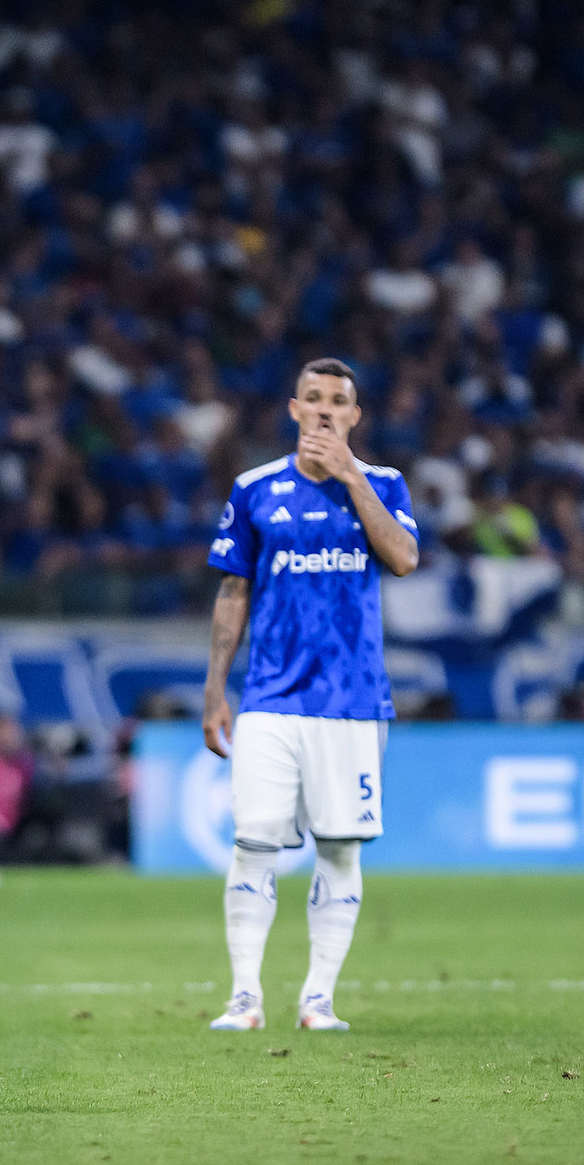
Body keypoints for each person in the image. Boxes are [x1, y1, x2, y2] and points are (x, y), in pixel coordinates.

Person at [201, 358, 418, 1033]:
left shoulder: (382, 484)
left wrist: (350, 474)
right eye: (314, 399)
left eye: (339, 402)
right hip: (270, 697)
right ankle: (244, 996)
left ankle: (317, 997)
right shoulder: (255, 488)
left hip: (352, 702)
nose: (325, 410)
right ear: (293, 409)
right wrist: (215, 690)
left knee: (340, 849)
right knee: (255, 842)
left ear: (355, 417)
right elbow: (233, 592)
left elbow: (404, 557)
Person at [0, 713, 35, 864]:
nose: (7, 738)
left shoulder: (24, 763)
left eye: (12, 732)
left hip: (18, 831)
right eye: (3, 732)